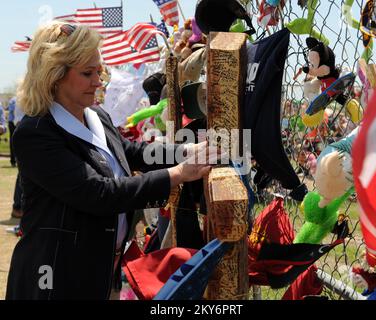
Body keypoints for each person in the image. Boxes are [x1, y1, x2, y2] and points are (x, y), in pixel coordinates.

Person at [6, 22, 218, 300]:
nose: (98, 81)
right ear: (54, 75)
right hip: (55, 276)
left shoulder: (96, 116)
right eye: (87, 73)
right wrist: (177, 174)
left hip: (98, 269)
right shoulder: (36, 133)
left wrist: (185, 152)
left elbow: (129, 151)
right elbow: (99, 193)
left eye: (99, 71)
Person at [8, 97, 17, 166]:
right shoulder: (13, 100)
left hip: (15, 122)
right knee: (13, 142)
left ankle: (13, 161)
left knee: (13, 141)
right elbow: (13, 111)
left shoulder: (12, 100)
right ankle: (13, 161)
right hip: (13, 123)